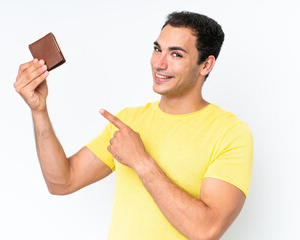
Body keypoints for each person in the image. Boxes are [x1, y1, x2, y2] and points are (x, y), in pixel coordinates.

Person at [14, 11, 253, 240]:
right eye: (157, 49)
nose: (159, 63)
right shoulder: (127, 121)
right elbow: (61, 182)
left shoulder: (230, 133)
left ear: (206, 65)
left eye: (176, 54)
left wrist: (140, 161)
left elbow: (206, 230)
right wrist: (39, 110)